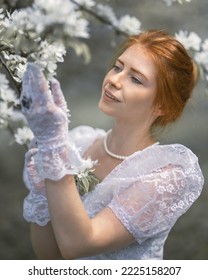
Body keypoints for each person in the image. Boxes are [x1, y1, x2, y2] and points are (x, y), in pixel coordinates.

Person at [21, 29, 204, 260]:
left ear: (162, 106)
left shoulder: (164, 176)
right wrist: (42, 193)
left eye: (135, 79)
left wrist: (55, 158)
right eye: (118, 67)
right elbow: (51, 260)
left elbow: (78, 245)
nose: (114, 80)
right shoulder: (79, 143)